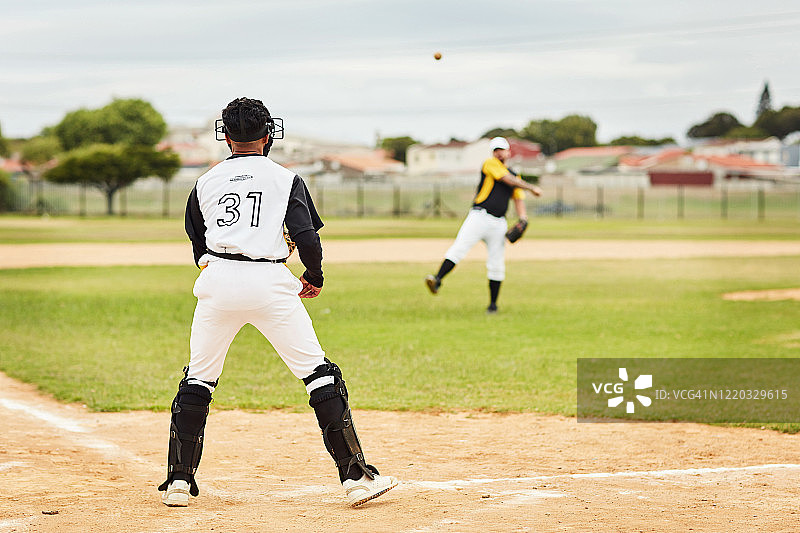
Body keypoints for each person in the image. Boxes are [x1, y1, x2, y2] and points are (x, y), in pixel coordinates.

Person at [158, 97, 397, 508]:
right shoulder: (285, 178)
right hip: (269, 281)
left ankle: (179, 482)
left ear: (226, 137)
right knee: (319, 375)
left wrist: (217, 269)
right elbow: (307, 238)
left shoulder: (206, 181)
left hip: (216, 281)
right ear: (269, 134)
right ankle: (356, 478)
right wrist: (313, 277)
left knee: (198, 379)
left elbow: (197, 240)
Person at [425, 137, 542, 313]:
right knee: (459, 248)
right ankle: (437, 279)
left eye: (502, 149)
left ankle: (493, 305)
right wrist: (531, 188)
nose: (499, 153)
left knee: (496, 263)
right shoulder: (490, 164)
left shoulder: (514, 174)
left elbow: (518, 198)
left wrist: (523, 218)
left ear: (508, 152)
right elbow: (507, 180)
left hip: (498, 223)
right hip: (479, 217)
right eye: (496, 150)